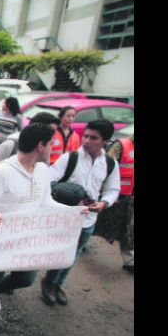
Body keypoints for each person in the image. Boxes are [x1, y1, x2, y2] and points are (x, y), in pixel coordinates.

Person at [0, 123, 88, 336]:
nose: (53, 148)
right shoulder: (2, 172)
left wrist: (72, 212)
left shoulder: (43, 170)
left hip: (27, 237)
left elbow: (46, 202)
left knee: (25, 279)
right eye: (51, 144)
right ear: (40, 146)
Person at [41, 119, 120, 306]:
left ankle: (58, 284)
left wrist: (103, 203)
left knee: (73, 254)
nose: (87, 141)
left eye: (94, 138)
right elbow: (49, 180)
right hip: (66, 217)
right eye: (86, 135)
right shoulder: (71, 158)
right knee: (61, 253)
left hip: (89, 220)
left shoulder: (109, 164)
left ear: (105, 142)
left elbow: (112, 189)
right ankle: (49, 282)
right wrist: (67, 195)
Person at [0, 112, 60, 268]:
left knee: (22, 275)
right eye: (49, 139)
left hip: (23, 228)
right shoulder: (9, 146)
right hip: (2, 212)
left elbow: (45, 198)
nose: (52, 143)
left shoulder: (41, 166)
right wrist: (9, 181)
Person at [94, 133, 134, 273]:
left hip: (130, 196)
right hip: (114, 194)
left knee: (129, 227)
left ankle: (130, 259)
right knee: (98, 219)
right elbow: (106, 166)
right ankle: (81, 236)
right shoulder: (121, 145)